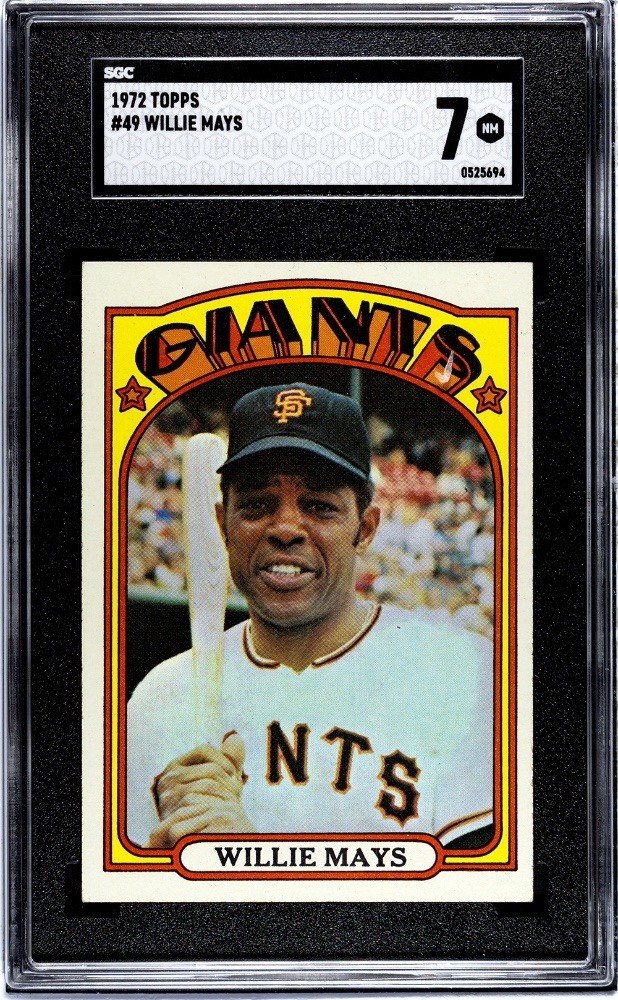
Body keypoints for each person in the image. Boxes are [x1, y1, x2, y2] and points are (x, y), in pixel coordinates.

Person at [127, 383, 493, 850]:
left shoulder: (462, 676)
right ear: (222, 525)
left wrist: (242, 861)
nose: (285, 528)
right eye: (257, 505)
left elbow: (483, 895)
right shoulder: (158, 700)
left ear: (365, 528)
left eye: (319, 506)